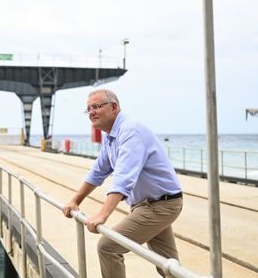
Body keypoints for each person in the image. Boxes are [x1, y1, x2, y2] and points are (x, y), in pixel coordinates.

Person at [62, 89, 183, 278]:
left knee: (108, 247)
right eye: (88, 109)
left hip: (160, 205)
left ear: (114, 107)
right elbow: (98, 171)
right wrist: (75, 200)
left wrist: (103, 214)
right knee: (168, 265)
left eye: (96, 107)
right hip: (148, 204)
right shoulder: (111, 136)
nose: (91, 112)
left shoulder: (129, 131)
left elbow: (124, 177)